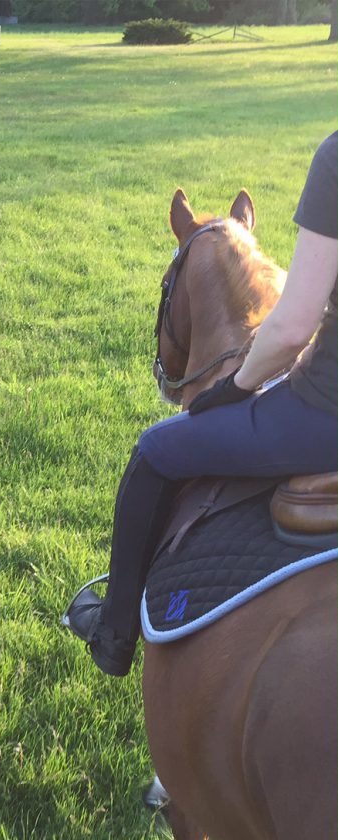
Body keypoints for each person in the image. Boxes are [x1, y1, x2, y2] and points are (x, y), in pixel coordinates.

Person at [63, 132, 338, 676]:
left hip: (323, 412)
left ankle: (113, 633)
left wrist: (234, 390)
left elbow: (291, 327)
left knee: (157, 449)